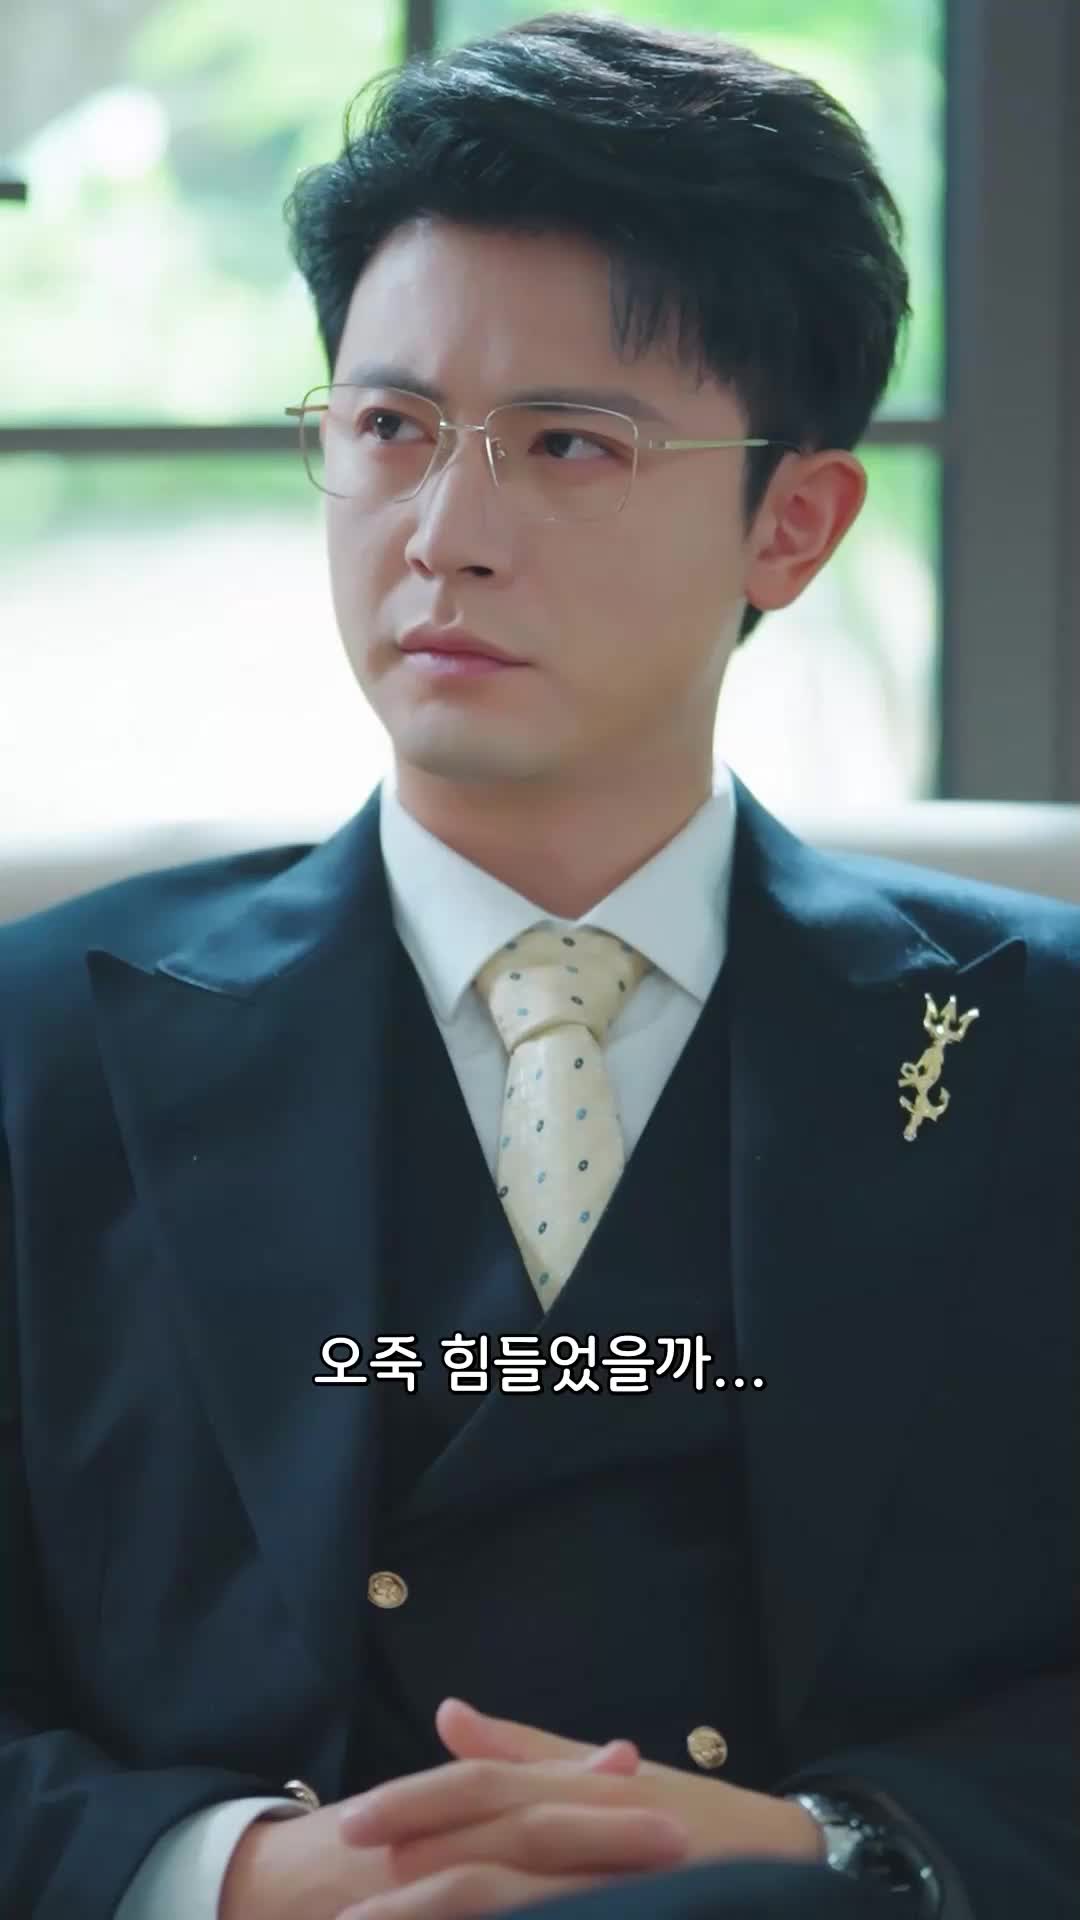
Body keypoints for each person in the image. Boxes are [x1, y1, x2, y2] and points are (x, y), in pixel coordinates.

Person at [1, 11, 1076, 1920]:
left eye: (569, 443)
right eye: (390, 429)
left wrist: (841, 1850)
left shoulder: (1040, 1042)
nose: (446, 537)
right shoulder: (38, 1045)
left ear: (794, 522)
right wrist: (218, 1875)